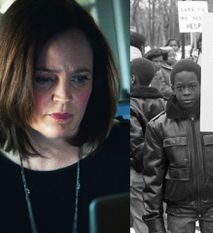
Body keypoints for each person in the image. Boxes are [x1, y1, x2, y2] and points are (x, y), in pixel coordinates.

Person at [0, 0, 129, 233]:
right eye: (43, 78)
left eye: (80, 78)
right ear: (9, 78)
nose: (64, 96)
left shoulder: (127, 149)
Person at [142, 59, 213, 233]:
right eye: (180, 87)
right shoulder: (158, 126)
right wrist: (154, 221)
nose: (186, 92)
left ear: (202, 85)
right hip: (179, 211)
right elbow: (152, 179)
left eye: (192, 86)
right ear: (172, 87)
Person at [130, 58, 166, 233]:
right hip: (164, 173)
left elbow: (136, 144)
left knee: (142, 221)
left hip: (140, 174)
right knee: (161, 219)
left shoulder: (131, 105)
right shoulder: (165, 103)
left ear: (132, 79)